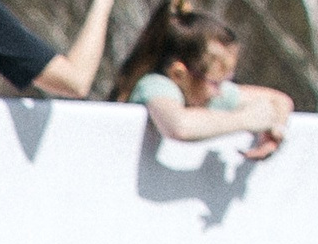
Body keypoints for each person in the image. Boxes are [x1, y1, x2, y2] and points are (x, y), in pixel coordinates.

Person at [109, 3, 292, 160]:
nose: (220, 92)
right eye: (215, 83)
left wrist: (274, 131)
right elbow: (179, 127)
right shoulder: (155, 85)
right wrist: (245, 120)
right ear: (179, 74)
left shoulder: (205, 90)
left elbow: (280, 101)